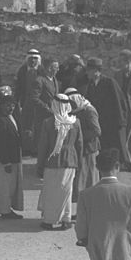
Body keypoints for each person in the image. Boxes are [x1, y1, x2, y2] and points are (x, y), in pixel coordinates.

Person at [37, 94, 83, 230]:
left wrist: (39, 165)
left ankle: (49, 220)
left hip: (52, 160)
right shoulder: (75, 122)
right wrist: (79, 162)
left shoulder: (48, 122)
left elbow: (43, 146)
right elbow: (79, 145)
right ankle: (66, 220)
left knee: (51, 191)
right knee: (66, 192)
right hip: (70, 160)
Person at [81, 58, 130, 168]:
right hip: (100, 121)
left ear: (96, 71)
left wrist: (121, 121)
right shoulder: (91, 84)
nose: (87, 73)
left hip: (111, 122)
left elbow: (119, 102)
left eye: (89, 70)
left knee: (114, 146)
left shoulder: (109, 82)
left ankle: (116, 166)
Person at [65, 87, 101, 212]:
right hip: (80, 151)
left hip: (89, 151)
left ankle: (90, 210)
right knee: (80, 182)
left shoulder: (89, 111)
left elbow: (96, 131)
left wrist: (78, 136)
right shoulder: (77, 110)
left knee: (88, 181)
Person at [0, 86, 24, 220]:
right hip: (6, 160)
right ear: (1, 106)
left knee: (10, 186)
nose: (10, 108)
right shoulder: (0, 121)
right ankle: (4, 211)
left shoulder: (11, 118)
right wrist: (6, 162)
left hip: (14, 157)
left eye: (12, 105)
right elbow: (0, 144)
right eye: (7, 105)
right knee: (5, 187)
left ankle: (7, 208)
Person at [27, 58, 59, 154]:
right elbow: (34, 98)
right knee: (42, 142)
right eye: (56, 67)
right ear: (49, 68)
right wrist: (47, 109)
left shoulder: (54, 79)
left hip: (54, 116)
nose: (58, 69)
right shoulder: (39, 80)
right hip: (43, 117)